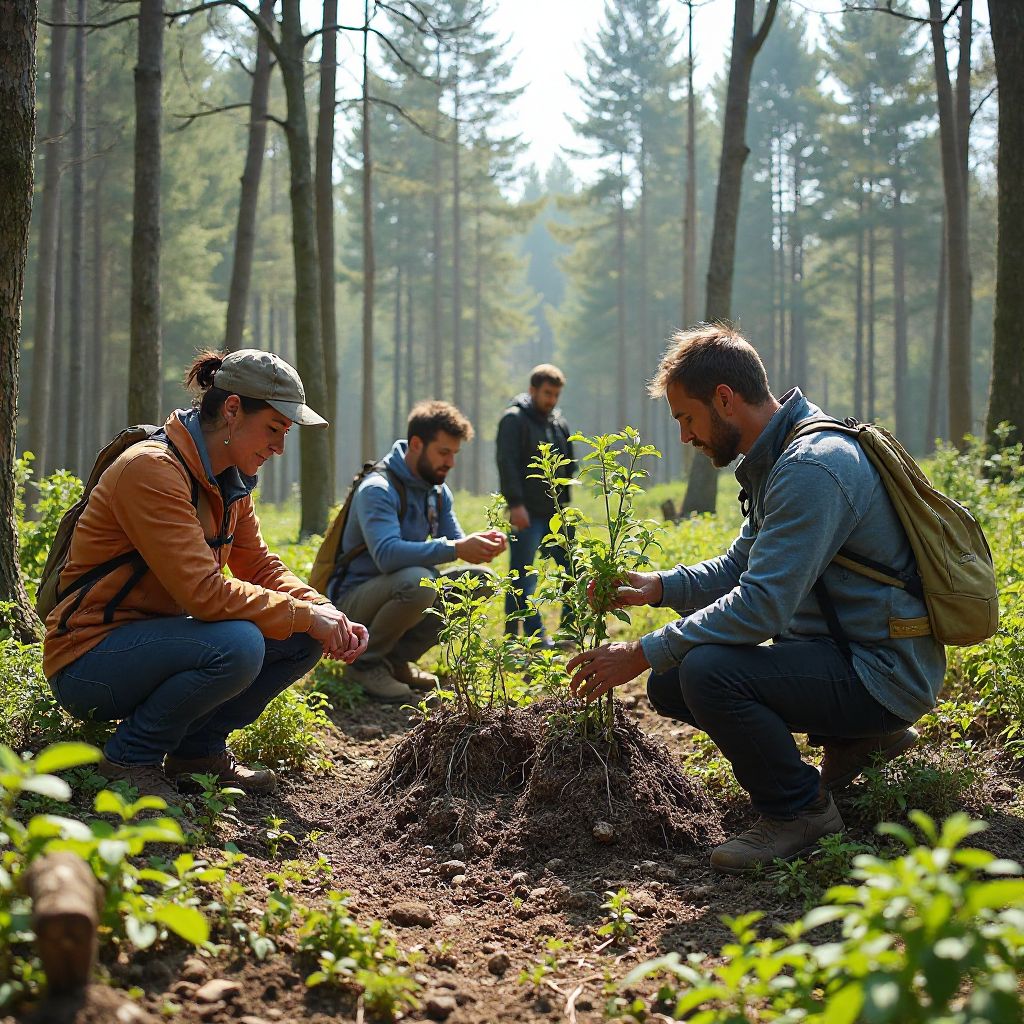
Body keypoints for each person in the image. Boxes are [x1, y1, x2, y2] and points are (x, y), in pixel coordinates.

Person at [566, 325, 945, 873]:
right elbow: (739, 568)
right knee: (673, 680)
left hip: (882, 670)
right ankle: (859, 740)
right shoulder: (783, 456)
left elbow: (760, 607)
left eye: (686, 418)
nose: (685, 437)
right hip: (846, 655)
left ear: (725, 399)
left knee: (707, 673)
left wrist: (643, 650)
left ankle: (800, 811)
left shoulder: (811, 467)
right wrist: (658, 586)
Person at [43, 349, 368, 805]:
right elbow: (204, 594)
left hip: (162, 643)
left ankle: (196, 753)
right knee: (240, 644)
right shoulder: (151, 469)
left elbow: (259, 566)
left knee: (301, 637)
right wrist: (307, 615)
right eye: (274, 429)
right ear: (232, 409)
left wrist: (322, 610)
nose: (279, 447)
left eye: (286, 434)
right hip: (90, 661)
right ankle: (130, 759)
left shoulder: (228, 480)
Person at [327, 400, 507, 703]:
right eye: (444, 452)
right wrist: (455, 548)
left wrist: (479, 544)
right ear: (416, 444)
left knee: (478, 581)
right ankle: (363, 663)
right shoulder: (378, 488)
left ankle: (395, 661)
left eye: (455, 453)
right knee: (419, 582)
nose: (451, 462)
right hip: (352, 603)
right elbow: (387, 556)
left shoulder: (437, 491)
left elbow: (455, 541)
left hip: (401, 591)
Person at [496, 364, 576, 645]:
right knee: (522, 577)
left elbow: (569, 465)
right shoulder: (514, 420)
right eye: (547, 393)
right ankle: (523, 637)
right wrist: (516, 504)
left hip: (556, 513)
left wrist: (565, 507)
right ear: (532, 390)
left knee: (572, 571)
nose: (551, 400)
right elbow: (507, 463)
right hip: (526, 513)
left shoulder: (557, 423)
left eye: (556, 394)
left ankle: (570, 632)